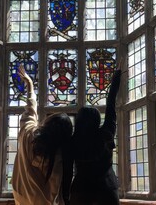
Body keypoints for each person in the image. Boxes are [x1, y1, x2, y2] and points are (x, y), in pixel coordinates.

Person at [12, 64, 73, 205]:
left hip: (20, 198)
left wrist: (30, 85)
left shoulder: (28, 133)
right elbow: (55, 188)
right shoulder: (56, 155)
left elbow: (30, 109)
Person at [69, 66, 122, 205]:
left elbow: (67, 170)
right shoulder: (106, 134)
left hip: (80, 191)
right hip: (107, 188)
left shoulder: (72, 141)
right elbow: (111, 104)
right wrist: (116, 76)